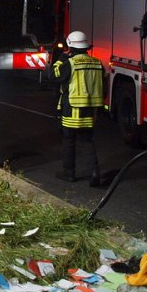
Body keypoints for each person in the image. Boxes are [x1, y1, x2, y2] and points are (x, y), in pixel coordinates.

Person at [49, 30, 105, 186]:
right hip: (90, 110)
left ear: (70, 46)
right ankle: (94, 173)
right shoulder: (97, 63)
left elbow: (53, 75)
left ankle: (69, 173)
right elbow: (103, 87)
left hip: (72, 108)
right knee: (88, 141)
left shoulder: (70, 63)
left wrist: (61, 58)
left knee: (69, 141)